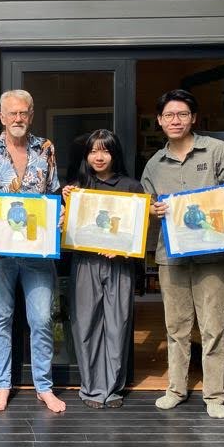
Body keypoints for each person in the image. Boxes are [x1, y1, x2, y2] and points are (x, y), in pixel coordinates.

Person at [141, 89, 224, 419]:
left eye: (182, 114)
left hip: (212, 256)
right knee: (176, 328)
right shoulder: (154, 164)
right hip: (172, 256)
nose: (175, 120)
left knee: (212, 327)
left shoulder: (217, 150)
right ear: (160, 120)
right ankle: (176, 389)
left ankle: (214, 394)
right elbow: (145, 208)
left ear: (193, 118)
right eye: (168, 115)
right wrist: (153, 210)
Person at [0, 89, 67, 413]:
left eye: (23, 112)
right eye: (12, 113)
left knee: (41, 319)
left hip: (38, 251)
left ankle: (44, 387)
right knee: (1, 317)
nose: (18, 118)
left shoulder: (46, 149)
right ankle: (3, 385)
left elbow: (53, 194)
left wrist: (60, 215)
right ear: (1, 116)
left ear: (31, 115)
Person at [63, 129, 143, 409]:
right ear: (86, 155)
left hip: (120, 264)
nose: (99, 157)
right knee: (86, 324)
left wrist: (123, 248)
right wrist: (66, 203)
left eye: (105, 150)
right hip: (85, 263)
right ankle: (91, 388)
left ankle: (113, 389)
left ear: (114, 154)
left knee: (117, 325)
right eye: (93, 151)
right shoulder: (77, 188)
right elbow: (67, 227)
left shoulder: (132, 187)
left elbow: (139, 231)